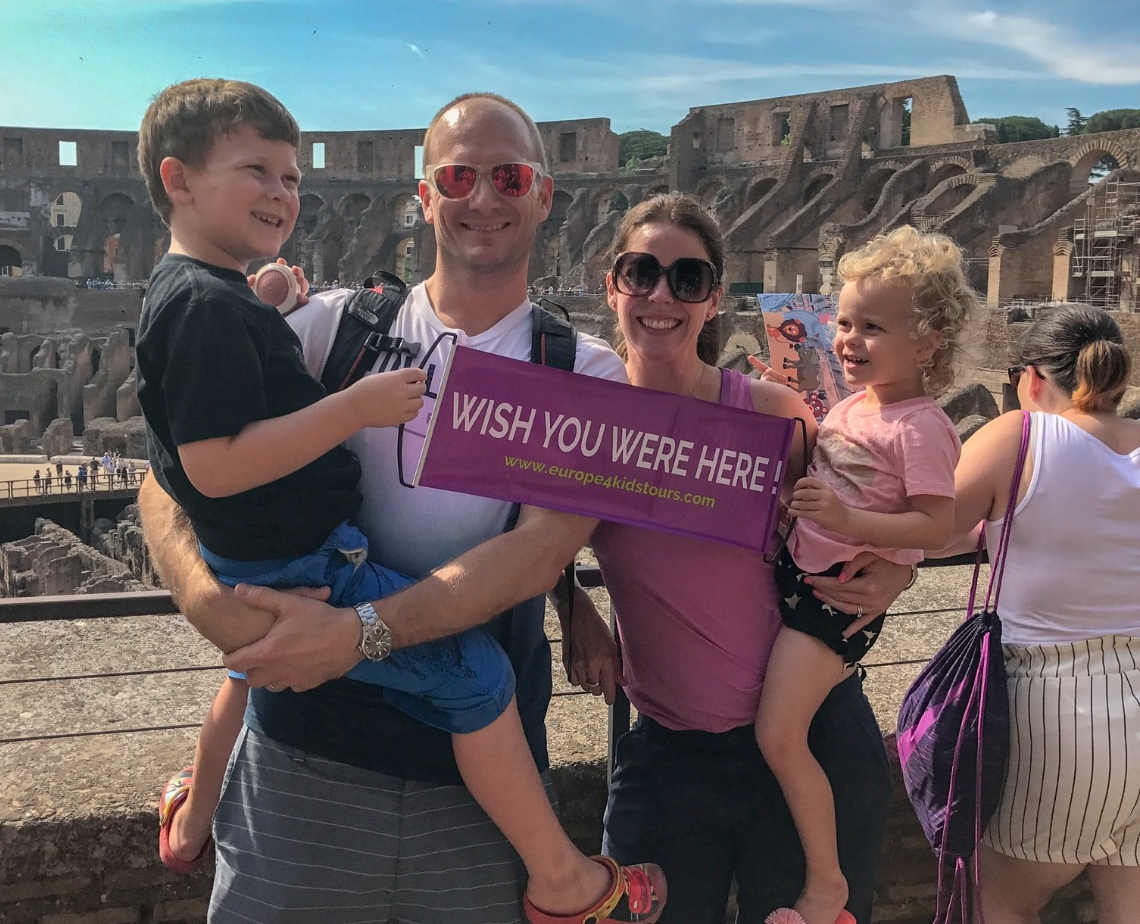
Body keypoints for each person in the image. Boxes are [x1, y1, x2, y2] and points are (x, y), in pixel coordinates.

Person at [138, 90, 665, 924]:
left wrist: (356, 634)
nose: (482, 197)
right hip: (303, 763)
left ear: (543, 194)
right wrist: (209, 603)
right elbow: (170, 475)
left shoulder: (585, 375)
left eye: (508, 175)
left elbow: (534, 557)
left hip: (477, 789)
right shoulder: (329, 330)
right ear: (424, 197)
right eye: (456, 176)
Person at [567, 193, 915, 924]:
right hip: (671, 752)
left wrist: (903, 567)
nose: (662, 296)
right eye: (642, 273)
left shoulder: (773, 415)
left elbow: (876, 511)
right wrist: (572, 607)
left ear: (713, 299)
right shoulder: (587, 426)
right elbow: (512, 523)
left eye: (687, 279)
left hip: (811, 736)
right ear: (613, 285)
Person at [749, 226, 976, 924]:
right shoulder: (852, 406)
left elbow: (938, 528)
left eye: (873, 326)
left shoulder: (921, 426)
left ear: (929, 342)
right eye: (845, 321)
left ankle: (826, 885)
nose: (848, 339)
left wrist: (851, 525)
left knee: (777, 736)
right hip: (805, 582)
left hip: (828, 607)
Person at [937, 304, 1140, 924]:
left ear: (1030, 380)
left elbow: (926, 530)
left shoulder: (1017, 436)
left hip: (1064, 706)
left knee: (996, 903)